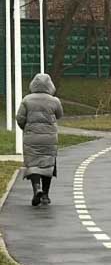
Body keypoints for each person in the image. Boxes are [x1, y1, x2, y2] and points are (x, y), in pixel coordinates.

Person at [16, 73, 64, 207]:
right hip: (49, 138)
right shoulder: (54, 101)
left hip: (31, 137)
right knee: (48, 165)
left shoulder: (27, 100)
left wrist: (26, 128)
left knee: (33, 164)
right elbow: (59, 115)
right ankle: (46, 195)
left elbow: (20, 118)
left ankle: (37, 188)